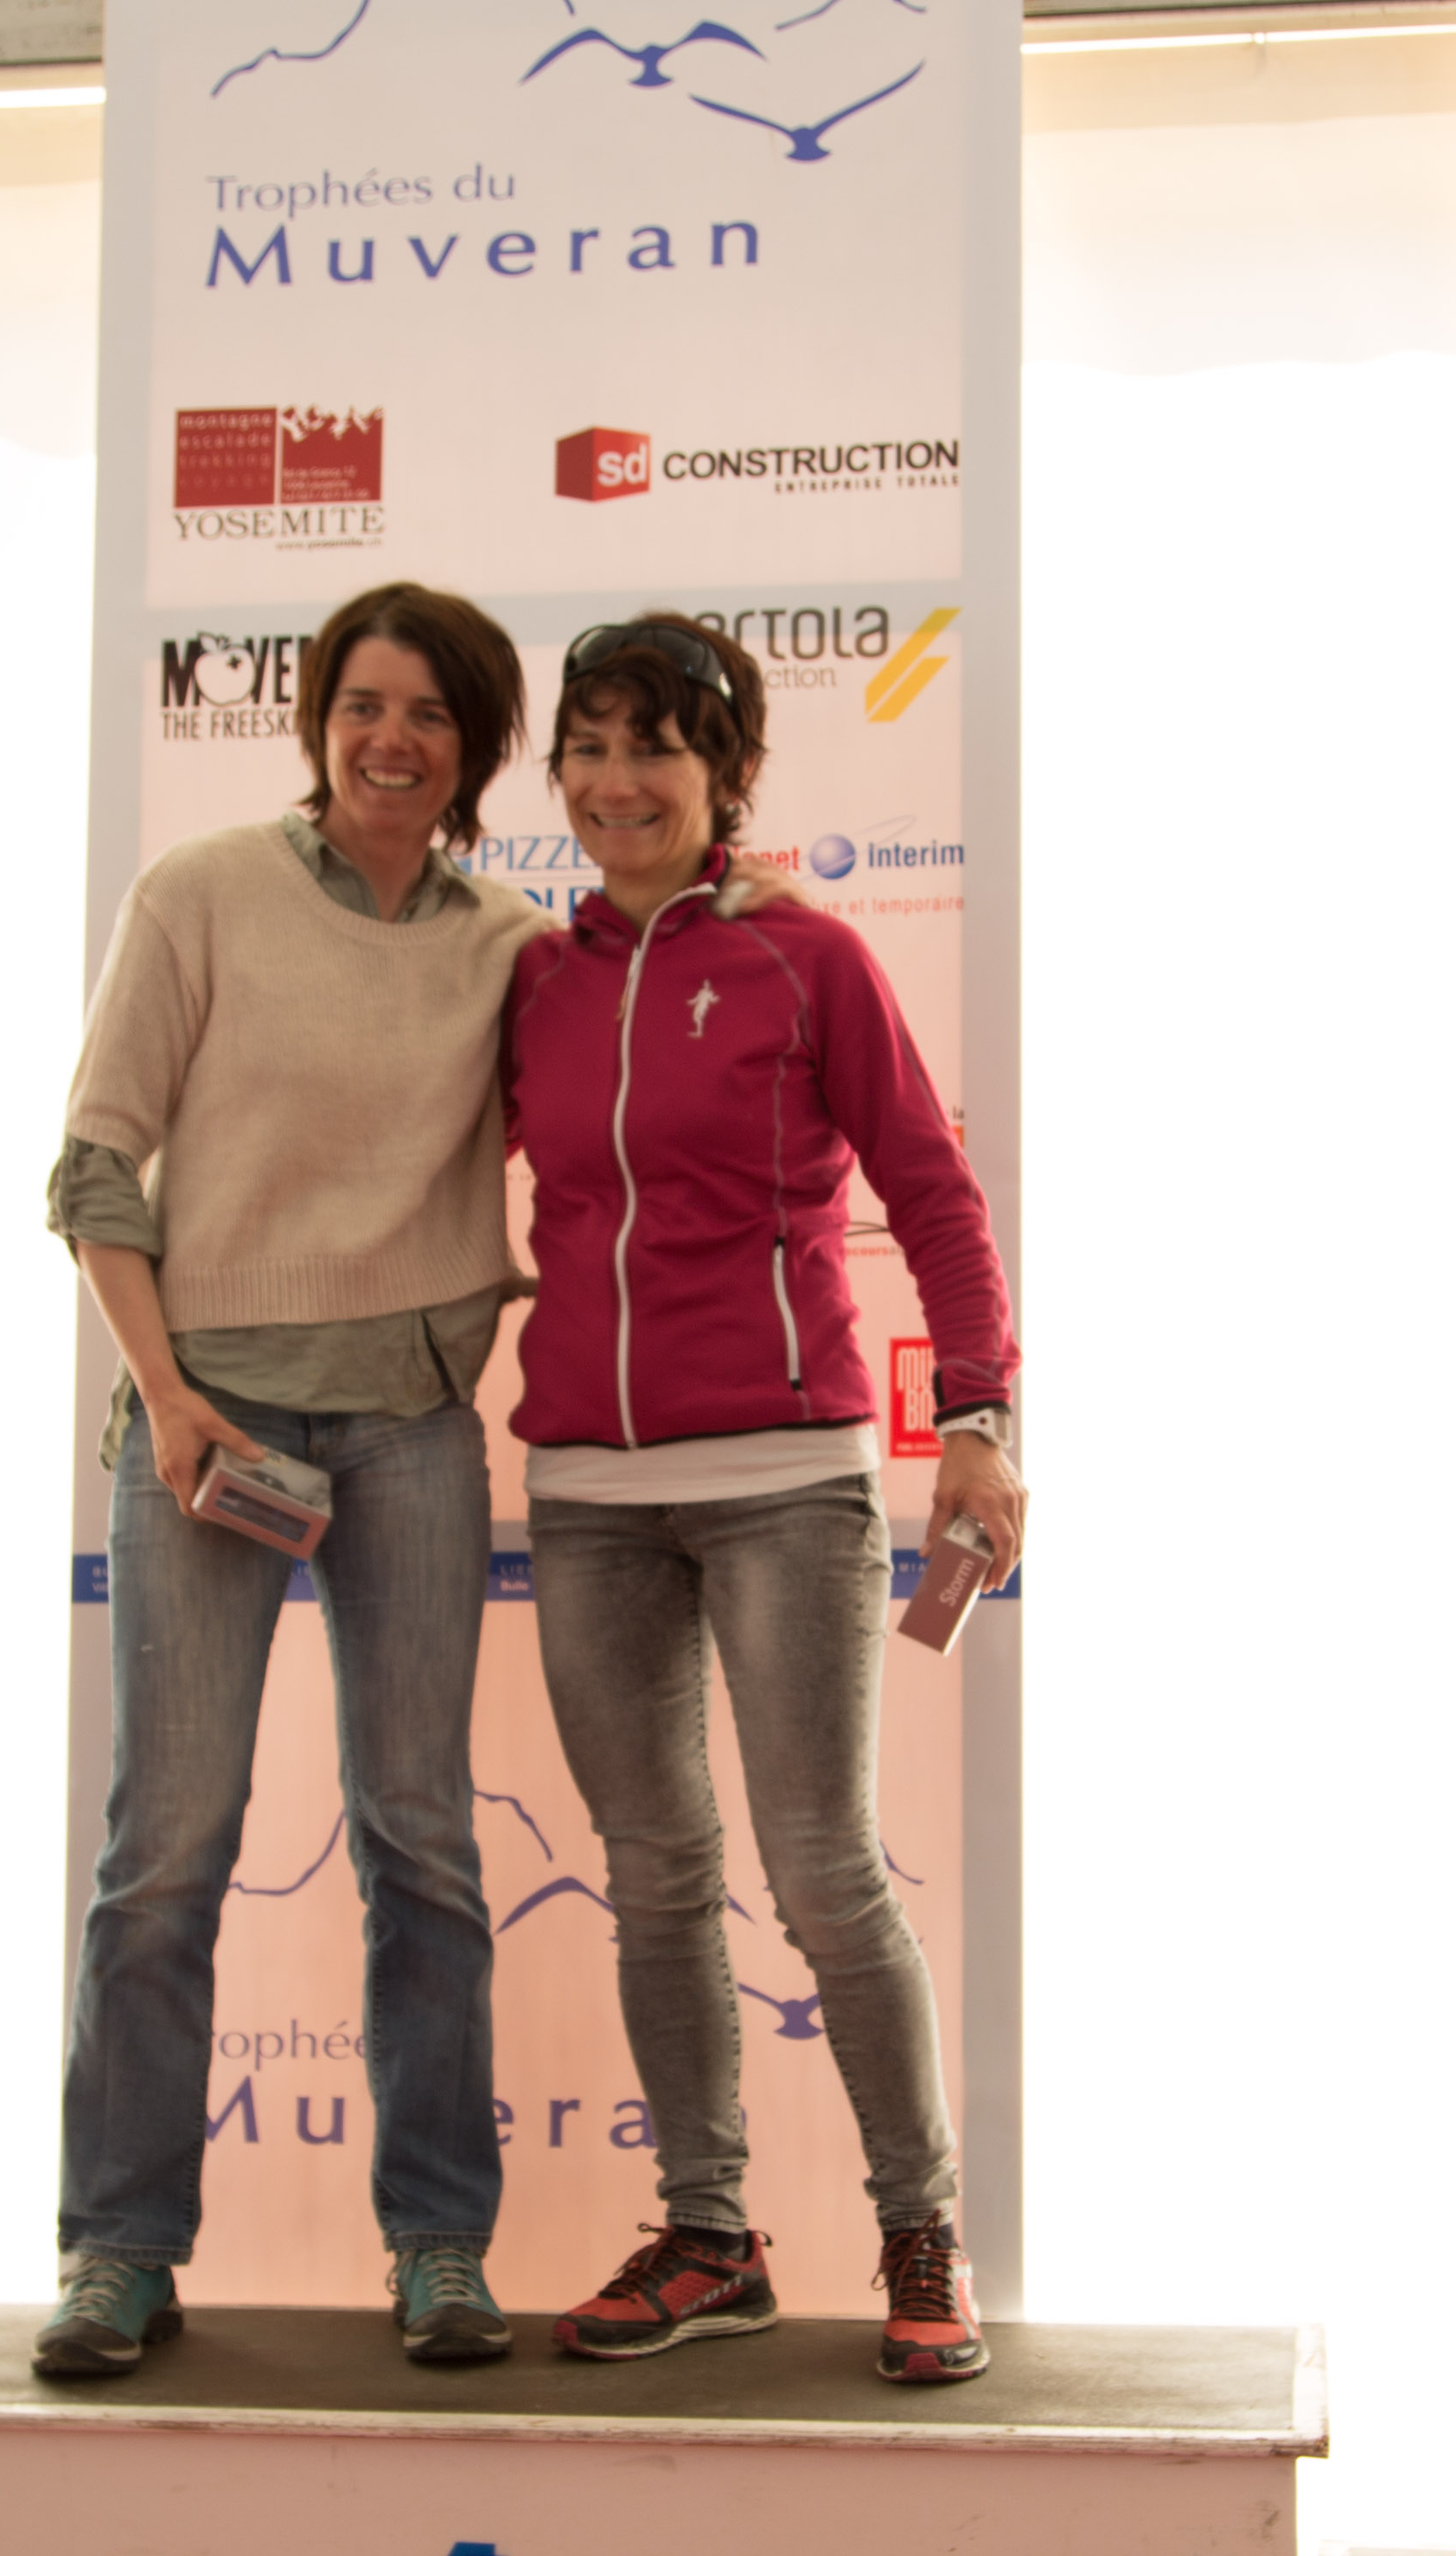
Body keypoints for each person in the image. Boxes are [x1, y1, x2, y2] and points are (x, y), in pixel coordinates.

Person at [501, 612, 1023, 2385]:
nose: (614, 782)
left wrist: (979, 1417)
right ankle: (711, 2236)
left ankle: (922, 2228)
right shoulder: (537, 977)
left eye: (652, 746)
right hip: (585, 1489)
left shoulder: (809, 957)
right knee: (655, 1876)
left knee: (820, 1870)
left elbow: (933, 1193)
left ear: (724, 773)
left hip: (788, 1478)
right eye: (586, 746)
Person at [45, 581, 548, 2379]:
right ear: (317, 720)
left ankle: (440, 2244)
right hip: (210, 1426)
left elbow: (647, 1012)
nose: (388, 742)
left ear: (476, 748)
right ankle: (118, 2251)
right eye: (360, 706)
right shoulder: (198, 895)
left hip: (409, 1424)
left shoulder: (511, 945)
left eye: (427, 714)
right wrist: (167, 1401)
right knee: (163, 1857)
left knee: (425, 1847)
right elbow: (94, 1170)